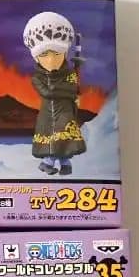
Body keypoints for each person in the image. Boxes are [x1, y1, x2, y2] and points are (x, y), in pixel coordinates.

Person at [22, 11, 85, 176]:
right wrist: (68, 91)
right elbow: (48, 92)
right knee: (55, 140)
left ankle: (63, 164)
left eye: (56, 53)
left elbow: (74, 88)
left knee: (65, 140)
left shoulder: (69, 74)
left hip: (65, 112)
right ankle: (48, 163)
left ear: (64, 54)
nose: (51, 60)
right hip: (48, 115)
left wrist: (70, 92)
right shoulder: (37, 78)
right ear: (36, 57)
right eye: (44, 54)